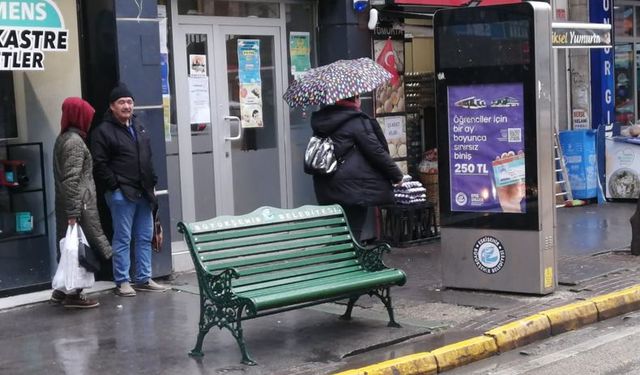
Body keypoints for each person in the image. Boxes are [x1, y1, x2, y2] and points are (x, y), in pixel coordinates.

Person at [90, 84, 167, 296]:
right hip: (121, 193)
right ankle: (122, 281)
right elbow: (100, 164)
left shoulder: (139, 126)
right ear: (112, 107)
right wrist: (115, 186)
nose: (127, 106)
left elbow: (147, 157)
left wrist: (152, 181)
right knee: (123, 238)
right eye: (121, 102)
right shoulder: (102, 131)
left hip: (144, 191)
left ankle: (144, 278)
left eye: (130, 102)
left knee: (144, 236)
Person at [310, 95, 403, 242]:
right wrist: (396, 175)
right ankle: (349, 263)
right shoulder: (356, 121)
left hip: (326, 186)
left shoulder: (323, 120)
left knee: (339, 232)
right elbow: (376, 152)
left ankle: (339, 262)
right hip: (352, 188)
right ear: (356, 99)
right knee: (353, 232)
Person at [52, 97, 113, 308]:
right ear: (79, 117)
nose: (89, 120)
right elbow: (72, 180)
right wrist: (73, 213)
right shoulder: (74, 143)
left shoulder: (64, 138)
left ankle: (61, 292)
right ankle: (74, 295)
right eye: (87, 116)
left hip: (71, 204)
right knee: (80, 249)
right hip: (80, 205)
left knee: (69, 247)